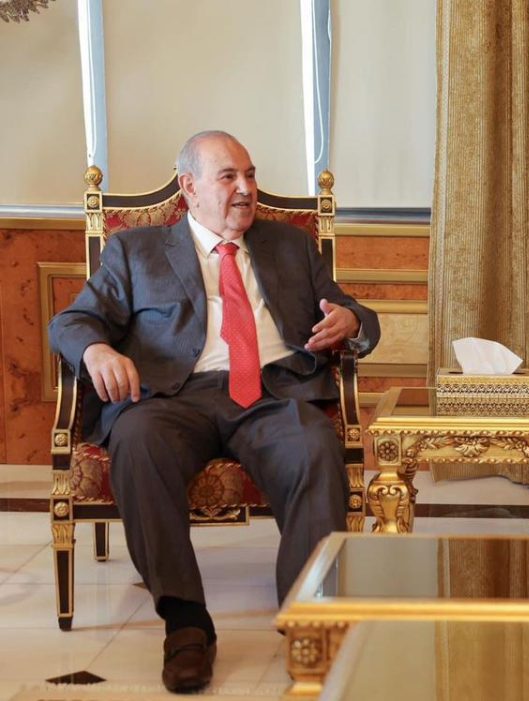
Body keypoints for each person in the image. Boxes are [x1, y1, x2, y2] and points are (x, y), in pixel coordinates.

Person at [49, 131, 381, 693]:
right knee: (137, 441)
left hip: (273, 393)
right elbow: (71, 321)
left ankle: (308, 620)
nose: (247, 189)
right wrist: (97, 350)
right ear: (190, 187)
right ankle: (186, 625)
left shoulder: (291, 246)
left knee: (314, 447)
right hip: (173, 398)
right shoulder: (136, 251)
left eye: (250, 175)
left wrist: (350, 321)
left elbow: (355, 312)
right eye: (229, 177)